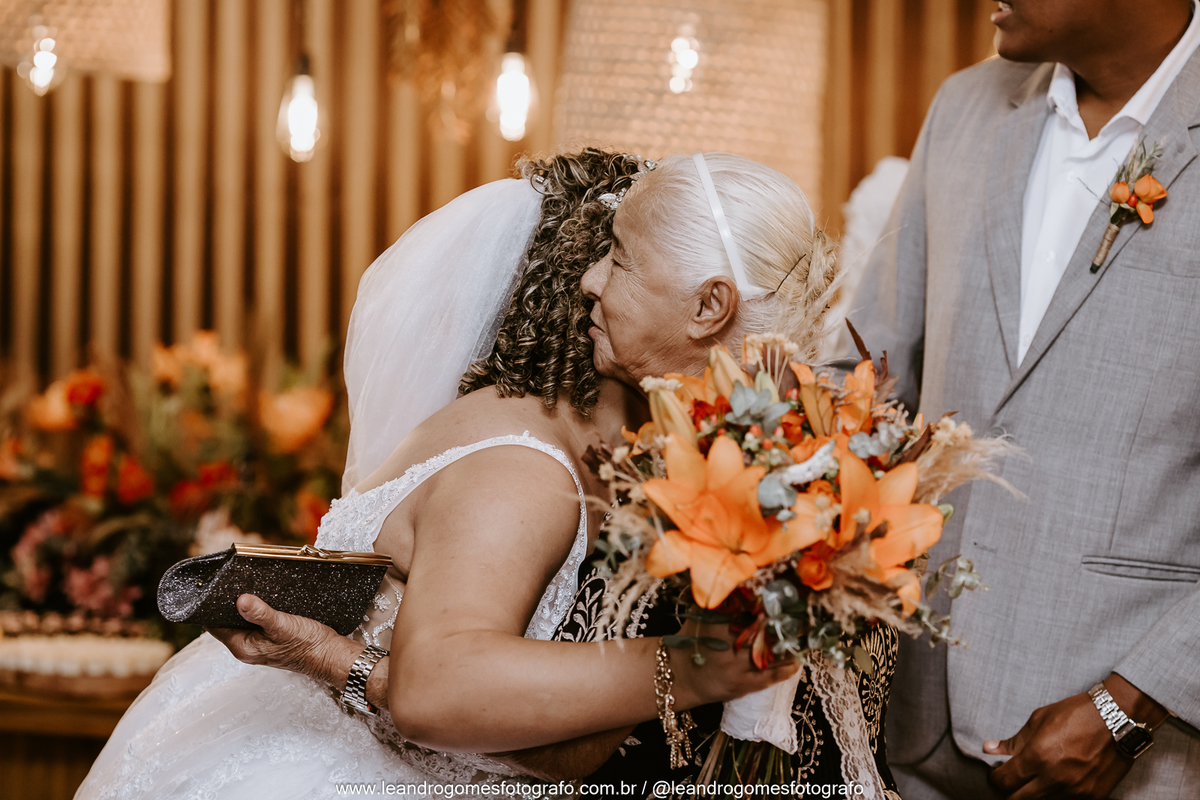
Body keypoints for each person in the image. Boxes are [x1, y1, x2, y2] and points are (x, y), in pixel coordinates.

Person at [76, 149, 841, 798]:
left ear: (709, 307)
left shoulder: (713, 457)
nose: (592, 283)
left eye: (621, 258)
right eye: (599, 252)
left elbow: (564, 745)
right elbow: (441, 689)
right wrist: (695, 668)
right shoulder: (524, 470)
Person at [850, 1, 1200, 798]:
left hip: (1137, 756)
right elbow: (869, 366)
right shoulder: (965, 106)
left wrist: (1130, 705)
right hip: (912, 724)